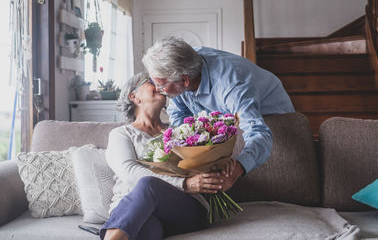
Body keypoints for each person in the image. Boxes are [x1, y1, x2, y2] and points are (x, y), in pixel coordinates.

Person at [142, 37, 295, 191]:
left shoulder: (231, 85)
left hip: (270, 114)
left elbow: (259, 132)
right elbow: (178, 116)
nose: (159, 91)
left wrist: (239, 167)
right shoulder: (183, 67)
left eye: (161, 86)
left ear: (185, 80)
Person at [101, 72, 224, 240]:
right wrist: (184, 183)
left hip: (184, 209)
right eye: (152, 81)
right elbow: (128, 172)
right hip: (134, 212)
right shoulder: (122, 134)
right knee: (146, 229)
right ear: (134, 96)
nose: (160, 84)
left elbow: (202, 163)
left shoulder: (182, 131)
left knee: (147, 184)